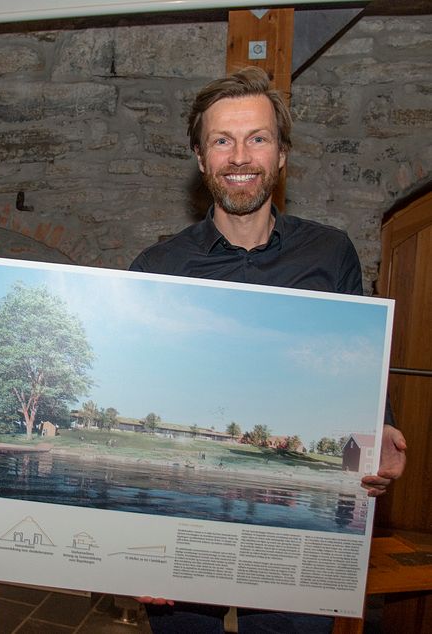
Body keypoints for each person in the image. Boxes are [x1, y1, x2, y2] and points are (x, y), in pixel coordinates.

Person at [130, 66, 407, 634]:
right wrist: (138, 550)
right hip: (183, 526)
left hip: (297, 538)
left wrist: (383, 432)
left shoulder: (331, 254)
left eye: (257, 138)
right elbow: (141, 381)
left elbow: (358, 368)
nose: (240, 157)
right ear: (201, 159)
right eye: (222, 141)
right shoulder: (158, 269)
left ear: (282, 155)